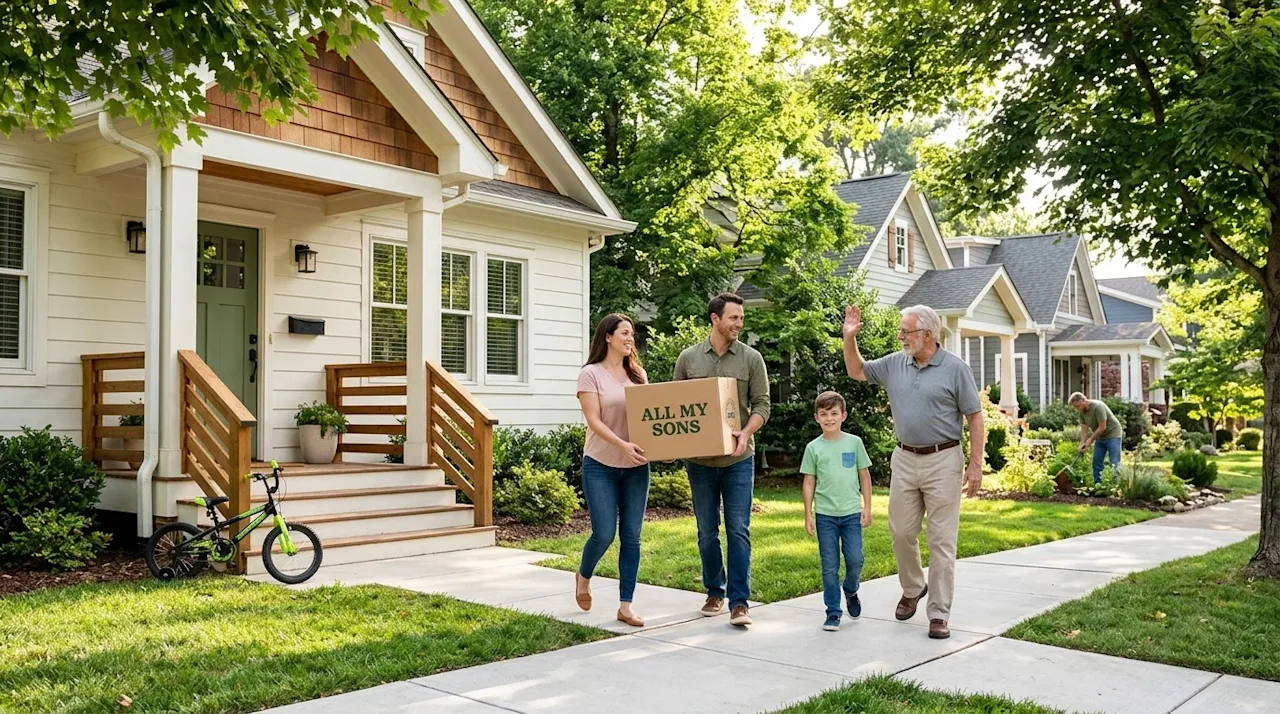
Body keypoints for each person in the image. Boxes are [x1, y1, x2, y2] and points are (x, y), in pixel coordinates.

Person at [842, 303, 983, 641]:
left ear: (928, 335)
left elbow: (975, 416)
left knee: (941, 541)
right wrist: (849, 338)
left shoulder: (955, 369)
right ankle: (913, 587)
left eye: (906, 331)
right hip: (904, 459)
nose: (900, 336)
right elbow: (856, 370)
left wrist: (976, 464)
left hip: (943, 459)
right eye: (901, 331)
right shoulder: (895, 363)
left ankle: (938, 613)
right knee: (902, 533)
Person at [673, 292, 771, 627]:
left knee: (738, 530)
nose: (739, 324)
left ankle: (739, 602)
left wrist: (745, 433)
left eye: (741, 318)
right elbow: (676, 405)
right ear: (715, 319)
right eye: (733, 318)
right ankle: (715, 590)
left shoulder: (751, 359)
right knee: (706, 531)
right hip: (700, 461)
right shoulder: (688, 359)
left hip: (738, 460)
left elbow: (762, 405)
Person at [574, 313, 651, 627]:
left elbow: (652, 421)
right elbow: (594, 420)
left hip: (636, 467)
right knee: (604, 533)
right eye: (624, 333)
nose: (630, 338)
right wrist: (622, 445)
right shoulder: (590, 374)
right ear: (607, 336)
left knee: (631, 538)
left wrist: (666, 448)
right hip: (601, 465)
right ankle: (583, 575)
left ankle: (626, 606)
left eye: (632, 334)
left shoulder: (638, 375)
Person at [801, 391, 873, 632]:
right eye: (824, 414)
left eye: (834, 414)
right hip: (825, 516)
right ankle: (833, 611)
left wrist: (868, 507)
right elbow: (809, 481)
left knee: (854, 560)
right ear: (816, 418)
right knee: (829, 565)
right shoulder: (813, 448)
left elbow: (864, 476)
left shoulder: (854, 443)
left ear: (843, 415)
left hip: (851, 513)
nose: (829, 419)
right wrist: (808, 514)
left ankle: (851, 590)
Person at [1070, 392, 1123, 483]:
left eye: (1077, 406)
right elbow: (1084, 429)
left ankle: (1117, 487)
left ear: (1084, 400)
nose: (1076, 409)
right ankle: (1098, 485)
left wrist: (1090, 441)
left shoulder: (1098, 407)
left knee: (1114, 462)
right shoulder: (1082, 412)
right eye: (1075, 407)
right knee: (1096, 462)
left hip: (1113, 434)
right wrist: (1082, 443)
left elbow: (1103, 427)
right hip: (1100, 436)